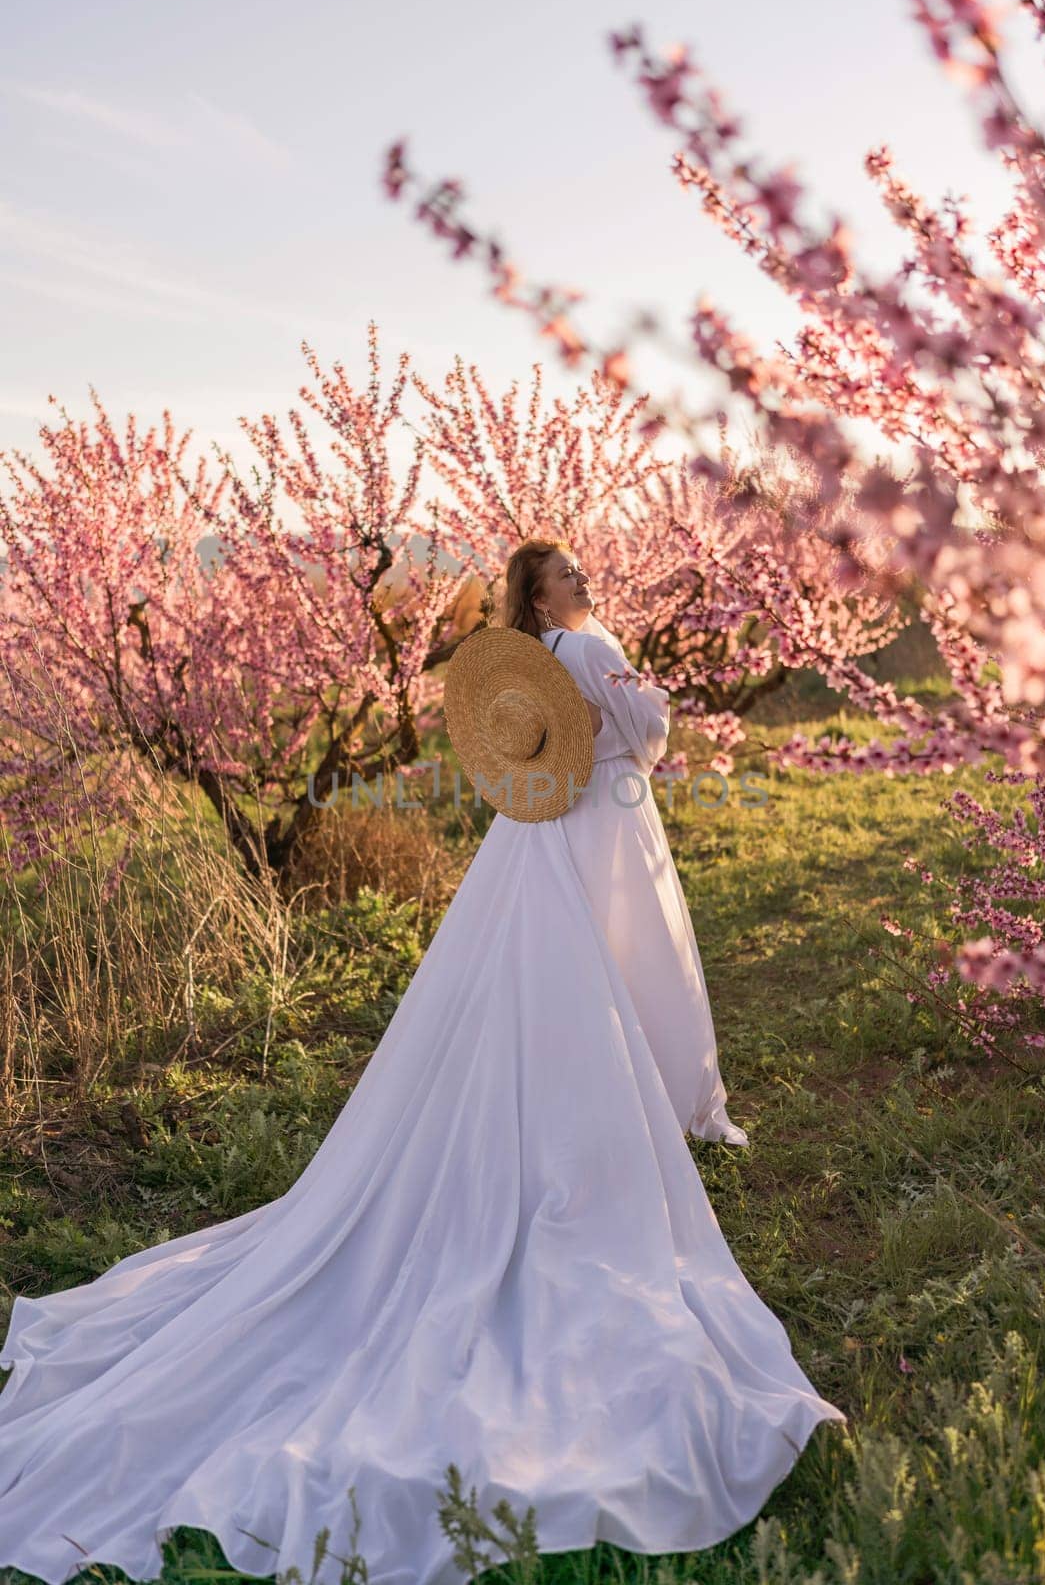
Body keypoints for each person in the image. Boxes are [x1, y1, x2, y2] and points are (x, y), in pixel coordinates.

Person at [0, 538, 847, 1585]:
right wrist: (626, 674)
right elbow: (649, 733)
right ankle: (647, 1105)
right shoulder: (589, 648)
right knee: (630, 966)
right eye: (567, 576)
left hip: (542, 829)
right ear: (541, 595)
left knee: (547, 981)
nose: (582, 584)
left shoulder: (537, 661)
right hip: (606, 824)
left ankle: (602, 1097)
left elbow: (534, 752)